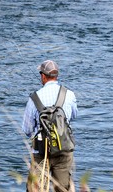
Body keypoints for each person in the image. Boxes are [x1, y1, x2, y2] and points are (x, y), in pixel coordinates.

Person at [22, 60, 78, 192]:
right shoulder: (69, 94)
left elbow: (27, 129)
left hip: (40, 153)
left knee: (35, 189)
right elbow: (73, 116)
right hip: (63, 150)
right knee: (63, 189)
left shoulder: (34, 98)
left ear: (43, 76)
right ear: (56, 76)